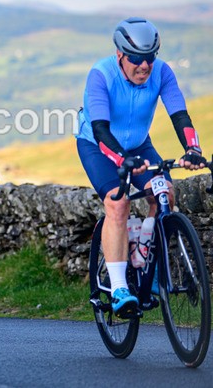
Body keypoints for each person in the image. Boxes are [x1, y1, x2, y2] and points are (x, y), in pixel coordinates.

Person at [76, 17, 207, 317]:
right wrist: (122, 160)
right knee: (118, 204)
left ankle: (143, 250)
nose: (144, 66)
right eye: (136, 59)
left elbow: (180, 115)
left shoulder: (162, 72)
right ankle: (120, 287)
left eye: (149, 58)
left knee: (165, 195)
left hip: (138, 144)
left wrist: (193, 150)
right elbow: (99, 129)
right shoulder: (101, 75)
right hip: (98, 146)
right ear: (120, 55)